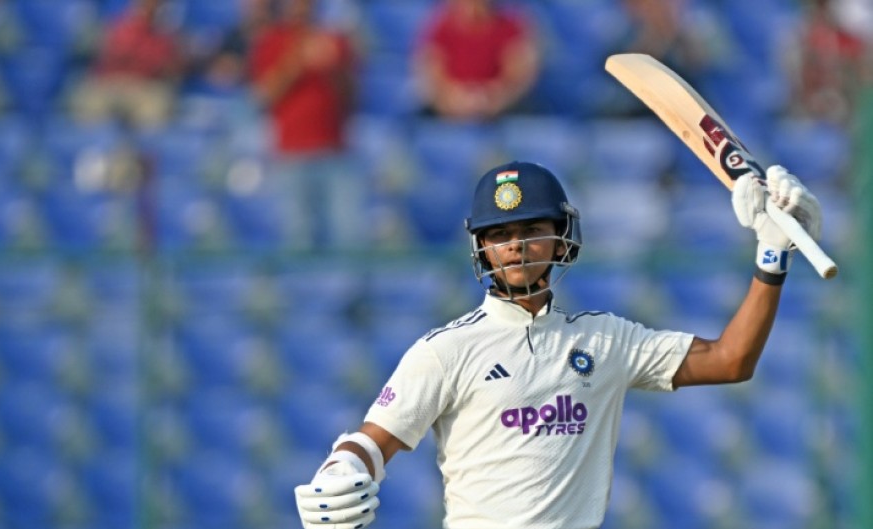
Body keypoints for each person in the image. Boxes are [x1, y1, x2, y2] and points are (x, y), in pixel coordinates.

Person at [292, 160, 823, 528]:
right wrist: (344, 466)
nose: (517, 245)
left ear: (561, 234)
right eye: (500, 234)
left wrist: (771, 255)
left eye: (531, 228)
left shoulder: (605, 338)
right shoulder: (445, 350)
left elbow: (731, 360)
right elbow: (372, 440)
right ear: (481, 247)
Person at [246, 0, 362, 250]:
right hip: (292, 155)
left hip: (335, 153)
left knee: (349, 236)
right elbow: (264, 95)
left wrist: (334, 66)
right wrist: (297, 60)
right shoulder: (272, 40)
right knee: (298, 237)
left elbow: (353, 97)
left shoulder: (335, 40)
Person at [413, 0, 539, 121]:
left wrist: (492, 98)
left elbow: (517, 77)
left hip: (498, 113)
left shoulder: (510, 26)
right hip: (448, 112)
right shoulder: (439, 26)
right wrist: (453, 100)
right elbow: (431, 73)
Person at [69, 0, 184, 129]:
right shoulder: (119, 25)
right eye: (145, 5)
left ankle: (142, 147)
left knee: (154, 110)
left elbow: (167, 67)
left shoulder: (166, 35)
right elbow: (116, 55)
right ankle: (92, 145)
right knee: (87, 105)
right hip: (109, 82)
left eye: (157, 6)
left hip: (145, 86)